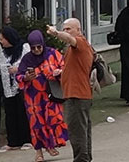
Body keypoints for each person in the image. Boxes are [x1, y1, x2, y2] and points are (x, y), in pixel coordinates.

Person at [16, 31, 67, 161]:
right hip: (33, 96)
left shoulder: (53, 54)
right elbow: (18, 76)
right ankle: (39, 152)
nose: (37, 50)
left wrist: (59, 72)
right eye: (33, 48)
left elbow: (65, 67)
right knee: (36, 124)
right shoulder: (27, 58)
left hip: (51, 93)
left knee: (53, 118)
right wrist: (26, 77)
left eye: (39, 47)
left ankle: (51, 144)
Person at [47, 19, 92, 162]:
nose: (66, 32)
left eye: (69, 29)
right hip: (74, 93)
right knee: (81, 129)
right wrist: (62, 72)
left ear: (78, 30)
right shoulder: (74, 49)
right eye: (64, 29)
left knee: (77, 131)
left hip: (77, 94)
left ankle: (81, 159)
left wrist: (56, 33)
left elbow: (69, 39)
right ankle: (85, 157)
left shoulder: (80, 43)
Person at [0, 27, 31, 151]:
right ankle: (13, 141)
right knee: (10, 113)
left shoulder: (24, 47)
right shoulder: (4, 52)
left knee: (22, 112)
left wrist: (18, 69)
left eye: (2, 39)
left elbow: (28, 61)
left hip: (20, 85)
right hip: (7, 87)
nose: (1, 42)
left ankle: (26, 139)